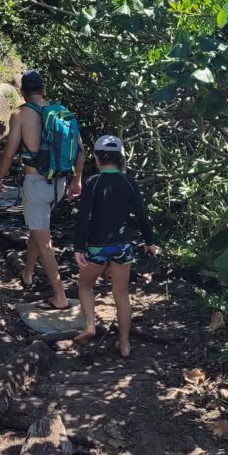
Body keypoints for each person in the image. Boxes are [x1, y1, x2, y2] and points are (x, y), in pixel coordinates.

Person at [0, 70, 84, 310]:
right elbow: (80, 149)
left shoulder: (20, 114)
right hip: (59, 184)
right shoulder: (61, 112)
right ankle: (28, 273)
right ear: (43, 89)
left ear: (23, 91)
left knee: (45, 243)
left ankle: (60, 297)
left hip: (36, 184)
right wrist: (77, 179)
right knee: (38, 229)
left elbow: (9, 153)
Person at [72, 135, 158, 358]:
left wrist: (79, 247)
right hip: (123, 246)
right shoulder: (128, 182)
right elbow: (142, 215)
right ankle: (125, 344)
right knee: (121, 294)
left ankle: (90, 326)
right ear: (120, 158)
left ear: (96, 157)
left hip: (98, 247)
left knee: (85, 286)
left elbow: (84, 218)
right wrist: (150, 242)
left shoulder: (92, 182)